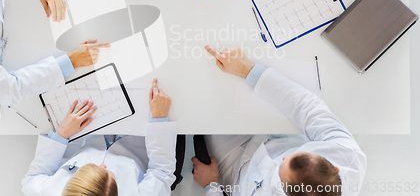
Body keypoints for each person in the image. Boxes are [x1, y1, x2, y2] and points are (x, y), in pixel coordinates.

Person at [191, 46, 366, 195]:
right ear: (335, 168)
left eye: (281, 173)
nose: (282, 159)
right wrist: (248, 70)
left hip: (237, 168)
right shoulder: (349, 157)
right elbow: (308, 107)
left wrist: (211, 185)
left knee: (200, 105)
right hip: (281, 134)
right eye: (294, 156)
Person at [22, 79, 177, 196]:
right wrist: (159, 121)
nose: (102, 165)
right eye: (110, 174)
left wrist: (61, 134)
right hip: (138, 142)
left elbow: (34, 176)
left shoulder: (42, 191)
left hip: (89, 133)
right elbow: (161, 173)